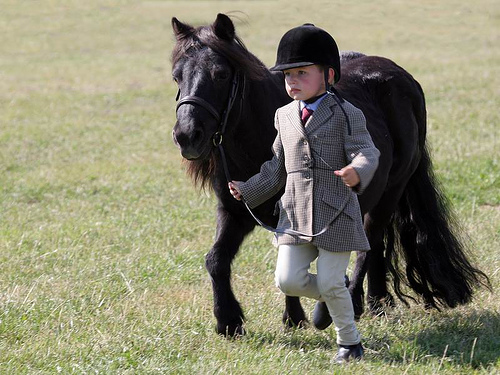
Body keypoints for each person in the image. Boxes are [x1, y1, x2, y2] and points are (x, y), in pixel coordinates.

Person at [228, 23, 379, 363]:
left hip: (335, 214)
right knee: (287, 280)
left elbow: (368, 151)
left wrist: (357, 171)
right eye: (287, 75)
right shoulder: (283, 116)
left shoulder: (346, 113)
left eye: (301, 73)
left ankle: (350, 343)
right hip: (294, 216)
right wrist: (248, 189)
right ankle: (334, 287)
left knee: (328, 284)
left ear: (328, 75)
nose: (292, 80)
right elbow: (277, 166)